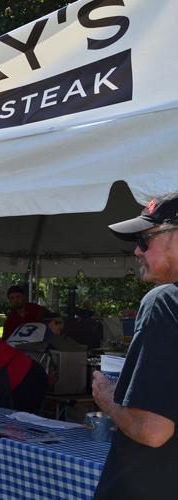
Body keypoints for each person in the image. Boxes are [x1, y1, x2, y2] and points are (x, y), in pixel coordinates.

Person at [92, 191, 178, 499]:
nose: (137, 252)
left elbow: (153, 430)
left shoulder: (165, 301)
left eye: (145, 239)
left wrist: (107, 397)